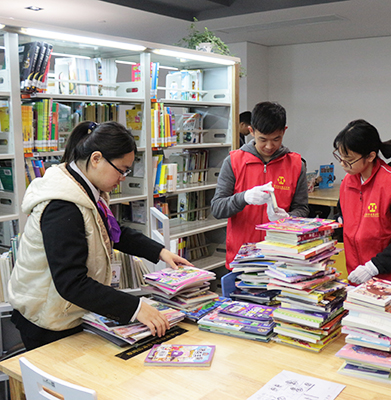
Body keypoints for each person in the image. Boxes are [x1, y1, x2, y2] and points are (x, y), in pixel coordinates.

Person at [8, 121, 193, 350]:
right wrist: (136, 308)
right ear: (96, 159)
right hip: (47, 322)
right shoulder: (62, 206)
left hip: (68, 312)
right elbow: (71, 283)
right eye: (121, 170)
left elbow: (110, 230)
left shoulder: (86, 188)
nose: (123, 177)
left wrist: (160, 252)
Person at [211, 102, 309, 267]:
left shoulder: (296, 164)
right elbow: (217, 208)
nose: (269, 146)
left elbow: (303, 209)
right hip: (242, 259)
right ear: (251, 131)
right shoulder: (233, 162)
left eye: (276, 139)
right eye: (262, 139)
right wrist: (243, 198)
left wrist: (288, 219)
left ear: (284, 131)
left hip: (282, 259)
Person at [333, 119, 391, 296]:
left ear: (370, 156)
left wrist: (373, 267)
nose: (343, 164)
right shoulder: (347, 183)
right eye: (340, 157)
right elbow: (342, 217)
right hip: (359, 277)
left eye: (349, 160)